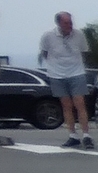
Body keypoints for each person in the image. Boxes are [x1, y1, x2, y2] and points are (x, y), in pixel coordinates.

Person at [35, 12, 93, 147]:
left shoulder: (78, 35)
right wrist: (54, 65)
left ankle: (86, 135)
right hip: (57, 75)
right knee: (66, 105)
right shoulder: (48, 36)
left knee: (80, 104)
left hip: (76, 73)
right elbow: (44, 53)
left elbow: (84, 51)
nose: (69, 26)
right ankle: (72, 135)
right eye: (66, 23)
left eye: (70, 22)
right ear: (59, 23)